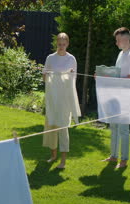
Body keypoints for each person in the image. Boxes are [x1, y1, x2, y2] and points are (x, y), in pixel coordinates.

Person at [42, 33, 81, 169]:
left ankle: (63, 161)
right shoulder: (50, 58)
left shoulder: (72, 59)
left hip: (64, 99)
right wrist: (46, 75)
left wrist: (68, 74)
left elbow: (73, 80)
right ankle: (53, 155)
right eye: (59, 44)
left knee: (63, 128)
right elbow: (44, 79)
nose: (61, 47)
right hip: (52, 98)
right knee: (51, 126)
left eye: (64, 44)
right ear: (56, 43)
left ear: (67, 44)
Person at [102, 27, 130, 168]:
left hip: (127, 97)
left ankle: (124, 160)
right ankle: (113, 156)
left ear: (125, 39)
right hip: (116, 95)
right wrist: (103, 74)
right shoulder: (121, 54)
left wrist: (112, 78)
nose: (116, 43)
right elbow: (117, 73)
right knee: (114, 126)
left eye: (118, 40)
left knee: (123, 129)